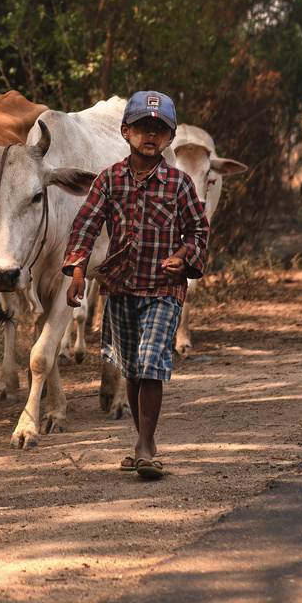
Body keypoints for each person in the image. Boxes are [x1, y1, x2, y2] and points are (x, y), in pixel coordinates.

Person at [62, 91, 209, 480]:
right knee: (130, 366)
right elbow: (85, 225)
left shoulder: (178, 184)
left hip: (164, 286)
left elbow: (198, 229)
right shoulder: (109, 180)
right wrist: (77, 269)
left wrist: (185, 258)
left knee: (151, 362)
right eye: (143, 127)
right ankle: (142, 439)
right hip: (121, 286)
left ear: (170, 138)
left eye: (159, 130)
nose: (150, 135)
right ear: (125, 131)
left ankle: (145, 444)